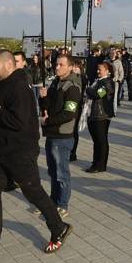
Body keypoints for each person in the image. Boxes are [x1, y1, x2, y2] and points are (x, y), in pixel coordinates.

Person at [0, 50, 71, 260]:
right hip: (3, 150)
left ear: (8, 65)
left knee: (33, 191)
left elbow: (19, 122)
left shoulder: (19, 86)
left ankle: (59, 227)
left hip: (20, 151)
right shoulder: (3, 84)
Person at [39, 54, 82, 217]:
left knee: (61, 172)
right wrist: (43, 98)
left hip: (62, 136)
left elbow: (69, 114)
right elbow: (47, 106)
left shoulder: (72, 87)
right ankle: (53, 200)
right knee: (52, 171)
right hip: (52, 134)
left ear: (70, 67)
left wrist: (47, 122)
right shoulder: (56, 82)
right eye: (56, 64)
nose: (57, 67)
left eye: (61, 65)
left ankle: (62, 204)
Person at [84, 62, 115, 173]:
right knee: (96, 141)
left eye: (100, 69)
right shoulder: (98, 81)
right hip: (93, 114)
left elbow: (98, 94)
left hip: (102, 115)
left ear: (107, 71)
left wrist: (88, 90)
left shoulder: (108, 82)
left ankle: (100, 164)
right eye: (97, 69)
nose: (98, 71)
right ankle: (95, 162)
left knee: (101, 140)